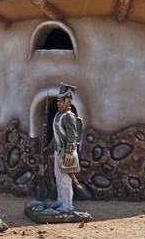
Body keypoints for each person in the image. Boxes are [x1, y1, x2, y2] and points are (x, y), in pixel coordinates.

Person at [52, 84, 80, 213]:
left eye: (61, 101)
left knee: (65, 180)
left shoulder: (68, 116)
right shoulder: (59, 115)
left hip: (66, 153)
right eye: (58, 101)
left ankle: (67, 206)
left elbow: (72, 136)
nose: (59, 103)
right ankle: (60, 201)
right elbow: (57, 134)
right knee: (59, 178)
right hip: (58, 151)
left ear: (67, 102)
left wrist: (69, 152)